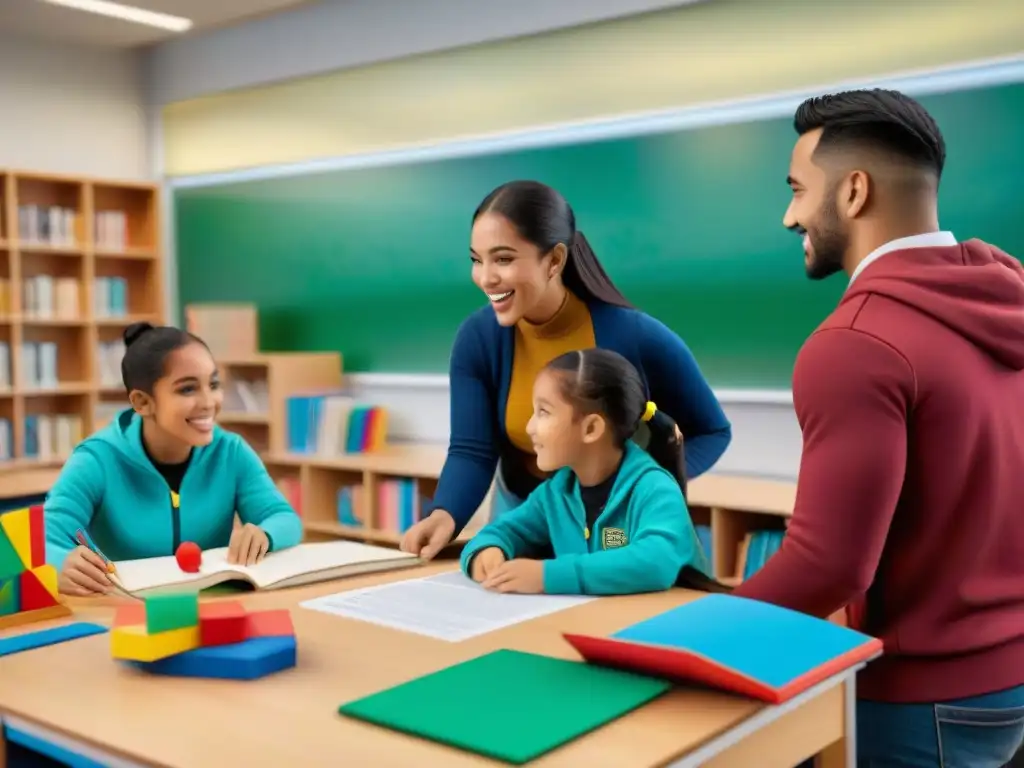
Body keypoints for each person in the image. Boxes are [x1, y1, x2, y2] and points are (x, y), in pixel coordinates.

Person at [733, 89, 1024, 766]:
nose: (789, 215)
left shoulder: (856, 343)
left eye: (799, 190)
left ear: (854, 191)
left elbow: (826, 565)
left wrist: (687, 637)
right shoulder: (1008, 296)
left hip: (917, 699)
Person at [401, 180, 732, 560]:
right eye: (477, 259)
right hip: (524, 509)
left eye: (504, 259)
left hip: (611, 516)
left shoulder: (635, 335)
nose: (485, 278)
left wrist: (642, 485)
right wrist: (446, 514)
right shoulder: (478, 339)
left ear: (555, 260)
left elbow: (711, 430)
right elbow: (472, 450)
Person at [46, 322, 303, 596]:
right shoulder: (97, 459)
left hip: (210, 609)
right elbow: (38, 541)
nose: (209, 402)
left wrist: (266, 534)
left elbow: (284, 518)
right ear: (143, 402)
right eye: (188, 389)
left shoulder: (231, 452)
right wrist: (58, 564)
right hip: (123, 614)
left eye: (213, 384)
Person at [461, 348, 717, 596]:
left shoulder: (654, 488)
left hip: (666, 628)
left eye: (543, 412)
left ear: (591, 428)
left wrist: (547, 576)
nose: (530, 427)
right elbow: (504, 530)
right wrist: (487, 551)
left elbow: (656, 561)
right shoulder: (556, 493)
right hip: (600, 621)